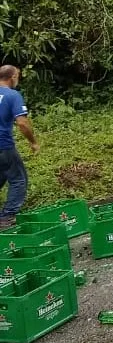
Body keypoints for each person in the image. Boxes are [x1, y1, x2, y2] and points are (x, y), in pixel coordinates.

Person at [0, 66, 39, 229]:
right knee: (19, 180)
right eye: (18, 76)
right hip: (3, 145)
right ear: (12, 77)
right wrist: (33, 142)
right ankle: (7, 217)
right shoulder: (12, 95)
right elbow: (22, 123)